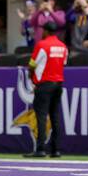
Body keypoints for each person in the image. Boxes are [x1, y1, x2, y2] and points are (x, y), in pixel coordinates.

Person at [26, 20, 68, 158]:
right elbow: (64, 63)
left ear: (46, 31)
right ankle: (56, 150)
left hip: (44, 84)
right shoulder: (63, 46)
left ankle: (40, 149)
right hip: (58, 84)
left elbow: (32, 64)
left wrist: (31, 76)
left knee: (41, 117)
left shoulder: (42, 45)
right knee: (55, 117)